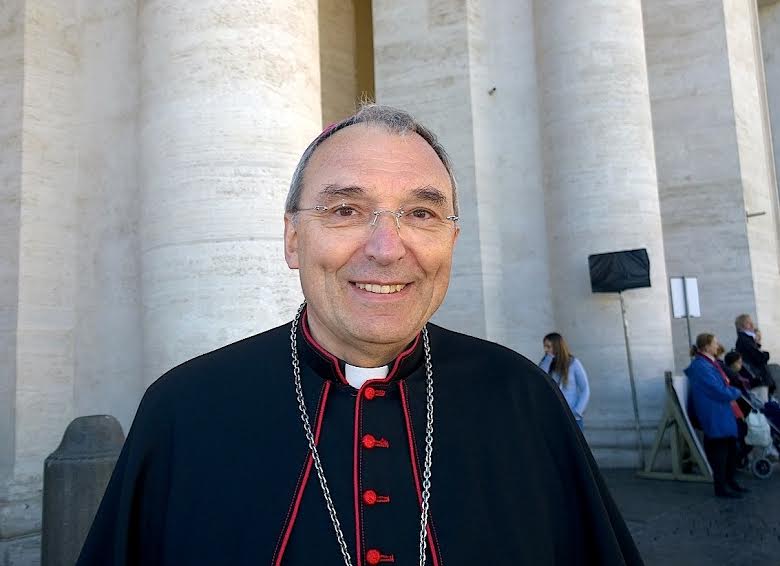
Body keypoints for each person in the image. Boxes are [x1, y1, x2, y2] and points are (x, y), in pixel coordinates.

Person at [76, 105, 643, 565]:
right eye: (346, 210)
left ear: (451, 241)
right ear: (293, 239)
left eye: (421, 214)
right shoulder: (183, 410)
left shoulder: (524, 399)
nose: (386, 248)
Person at [685, 333, 748, 498]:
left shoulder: (707, 363)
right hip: (714, 412)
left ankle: (730, 481)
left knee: (730, 449)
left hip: (720, 411)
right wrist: (736, 392)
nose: (717, 345)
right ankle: (721, 488)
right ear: (706, 347)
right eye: (715, 343)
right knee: (720, 453)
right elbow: (716, 390)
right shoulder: (701, 366)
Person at [539, 332, 590, 429]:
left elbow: (585, 388)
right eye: (544, 346)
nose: (545, 350)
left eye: (548, 346)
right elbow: (540, 379)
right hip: (553, 417)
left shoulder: (573, 363)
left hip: (573, 418)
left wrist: (577, 411)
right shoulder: (546, 362)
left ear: (557, 346)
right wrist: (548, 359)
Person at [734, 313, 774, 400]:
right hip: (757, 377)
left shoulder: (745, 339)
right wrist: (766, 354)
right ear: (741, 326)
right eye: (748, 323)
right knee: (763, 403)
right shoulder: (745, 340)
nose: (752, 325)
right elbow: (758, 357)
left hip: (756, 377)